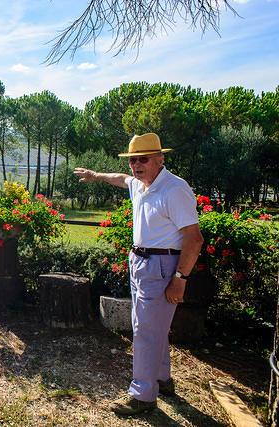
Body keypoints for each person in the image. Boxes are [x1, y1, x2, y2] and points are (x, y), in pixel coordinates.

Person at [74, 133, 204, 415]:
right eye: (133, 160)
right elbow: (121, 178)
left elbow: (194, 239)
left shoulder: (174, 189)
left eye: (142, 159)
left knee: (144, 331)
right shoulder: (141, 184)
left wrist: (180, 280)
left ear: (160, 159)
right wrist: (97, 175)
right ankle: (162, 379)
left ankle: (143, 395)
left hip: (162, 266)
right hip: (143, 263)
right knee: (152, 327)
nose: (136, 165)